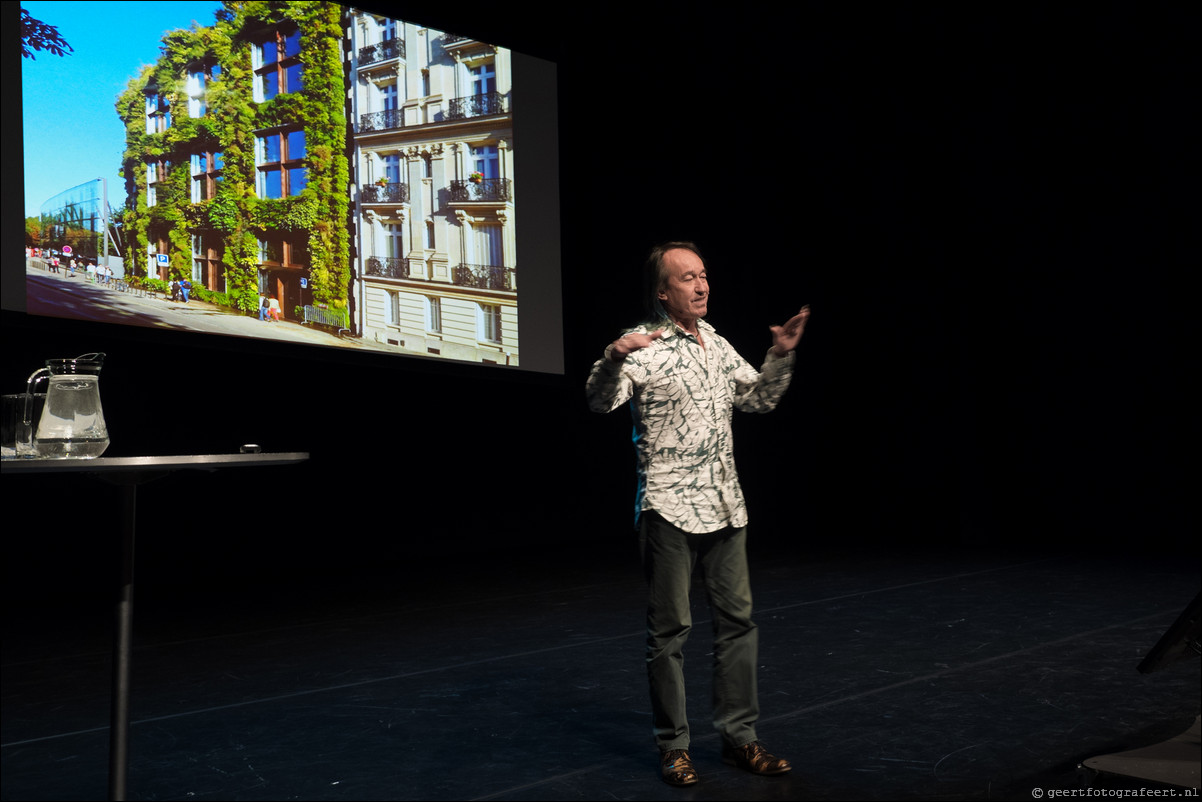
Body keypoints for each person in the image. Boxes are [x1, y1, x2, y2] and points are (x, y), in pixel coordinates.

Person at [585, 241, 810, 787]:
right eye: (687, 278)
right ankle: (675, 748)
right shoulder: (643, 345)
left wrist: (779, 356)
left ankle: (740, 739)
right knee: (670, 632)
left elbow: (755, 400)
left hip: (726, 506)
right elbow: (598, 401)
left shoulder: (715, 342)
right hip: (667, 508)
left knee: (738, 625)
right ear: (664, 292)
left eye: (703, 275)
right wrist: (614, 356)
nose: (701, 285)